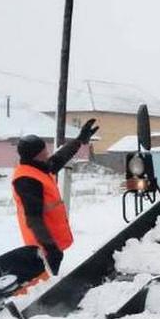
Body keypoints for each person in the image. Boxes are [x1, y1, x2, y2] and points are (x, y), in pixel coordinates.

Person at [11, 118, 98, 275]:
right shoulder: (27, 180)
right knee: (46, 286)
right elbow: (34, 219)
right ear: (37, 155)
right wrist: (50, 248)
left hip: (51, 242)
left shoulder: (38, 168)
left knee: (51, 280)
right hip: (43, 248)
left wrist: (79, 140)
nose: (47, 152)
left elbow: (60, 157)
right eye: (44, 150)